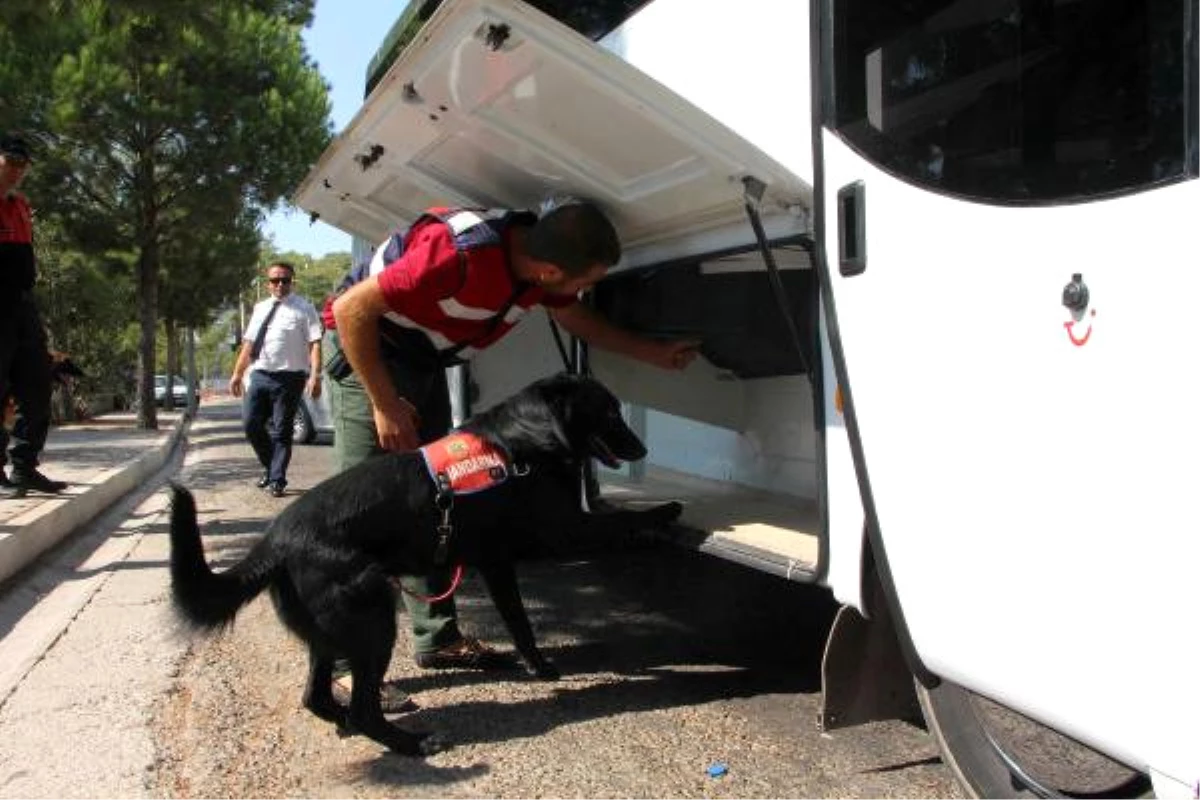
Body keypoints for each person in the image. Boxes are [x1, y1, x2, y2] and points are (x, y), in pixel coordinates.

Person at [322, 200, 698, 707]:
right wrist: (385, 404)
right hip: (368, 352)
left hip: (422, 361)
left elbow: (578, 320)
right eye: (583, 281)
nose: (583, 292)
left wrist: (652, 353)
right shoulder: (456, 255)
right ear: (550, 271)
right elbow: (351, 310)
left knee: (436, 501)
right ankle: (345, 670)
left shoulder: (536, 264)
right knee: (365, 512)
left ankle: (439, 640)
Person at [0, 133, 66, 499]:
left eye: (22, 166)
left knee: (38, 384)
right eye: (10, 162)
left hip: (22, 305)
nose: (16, 171)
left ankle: (24, 466)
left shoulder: (21, 205)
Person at [229, 261, 323, 497]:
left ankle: (277, 479)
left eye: (285, 280)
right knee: (250, 424)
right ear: (268, 284)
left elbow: (315, 344)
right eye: (275, 280)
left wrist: (315, 375)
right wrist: (237, 374)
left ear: (293, 282)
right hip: (260, 374)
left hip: (290, 378)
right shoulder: (260, 308)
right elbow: (249, 344)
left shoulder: (305, 308)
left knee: (282, 431)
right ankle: (272, 469)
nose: (280, 284)